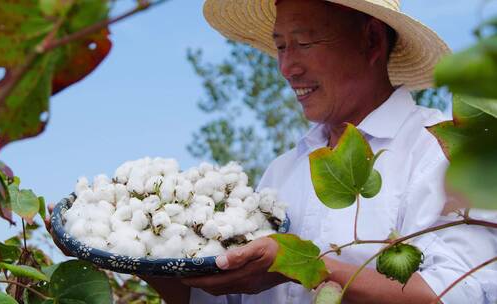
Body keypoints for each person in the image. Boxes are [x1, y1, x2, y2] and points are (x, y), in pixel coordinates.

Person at [48, 0, 497, 303]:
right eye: (281, 46)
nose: (287, 66)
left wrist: (300, 266)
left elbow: (459, 292)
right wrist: (143, 254)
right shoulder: (283, 172)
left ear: (372, 41)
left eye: (304, 43)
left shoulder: (444, 150)